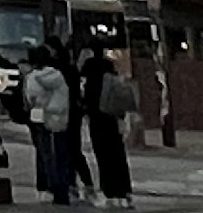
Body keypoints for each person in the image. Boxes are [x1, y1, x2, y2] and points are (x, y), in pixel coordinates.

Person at [22, 40, 81, 203]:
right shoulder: (58, 76)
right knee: (62, 154)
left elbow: (29, 99)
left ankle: (49, 187)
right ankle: (63, 188)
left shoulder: (32, 78)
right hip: (59, 119)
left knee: (44, 155)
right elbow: (65, 97)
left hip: (39, 118)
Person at [85, 44, 136, 204]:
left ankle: (110, 191)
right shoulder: (111, 75)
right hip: (113, 118)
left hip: (97, 119)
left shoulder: (91, 74)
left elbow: (87, 99)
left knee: (103, 156)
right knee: (118, 155)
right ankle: (124, 190)